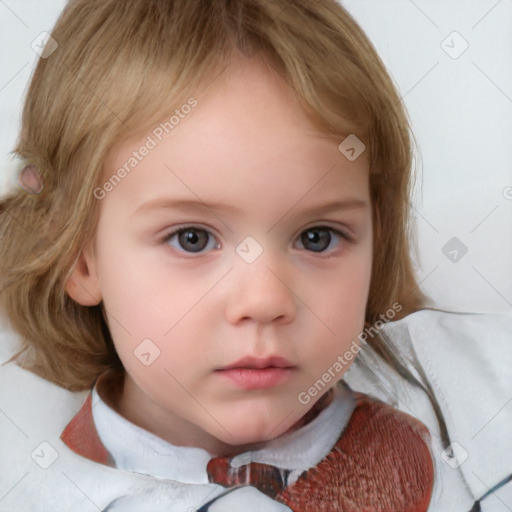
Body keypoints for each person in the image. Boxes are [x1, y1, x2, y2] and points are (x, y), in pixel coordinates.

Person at [0, 1, 510, 510]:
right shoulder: (36, 485)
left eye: (317, 237)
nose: (266, 299)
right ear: (79, 257)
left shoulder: (472, 393)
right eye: (192, 239)